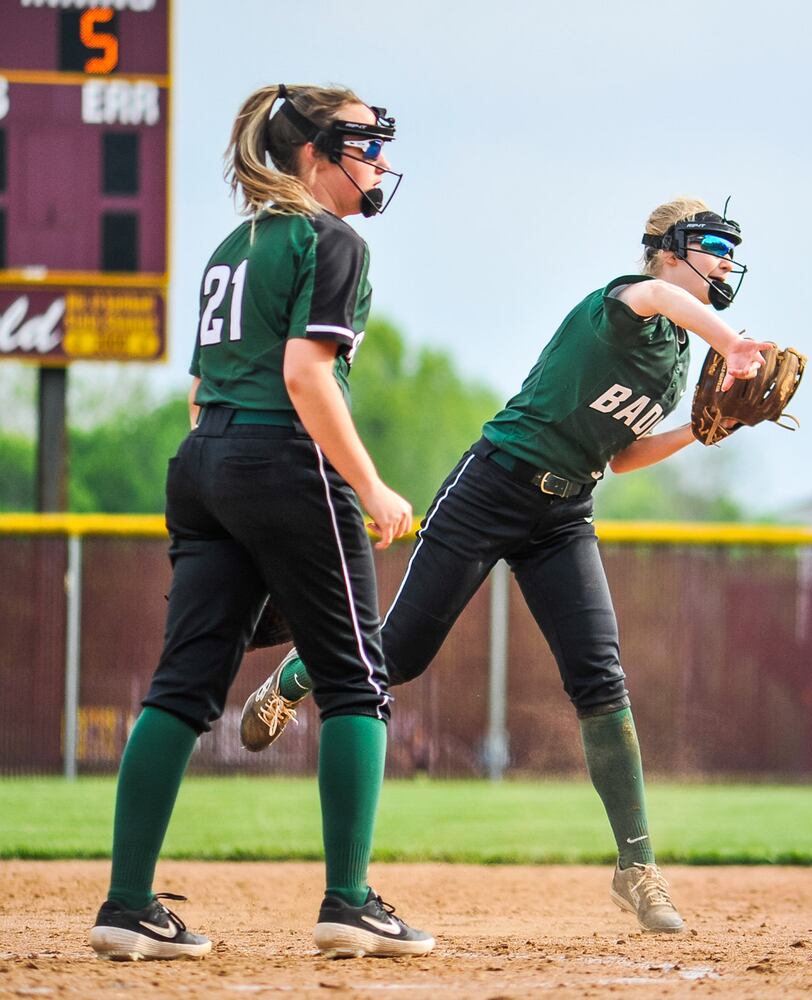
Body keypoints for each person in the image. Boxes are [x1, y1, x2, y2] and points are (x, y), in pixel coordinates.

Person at [238, 196, 775, 934]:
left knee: (599, 675)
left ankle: (636, 867)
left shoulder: (677, 358)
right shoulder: (625, 301)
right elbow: (654, 296)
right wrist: (735, 344)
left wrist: (698, 431)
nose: (724, 260)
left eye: (731, 249)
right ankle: (299, 672)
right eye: (713, 243)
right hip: (494, 483)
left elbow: (619, 457)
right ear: (668, 247)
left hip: (564, 511)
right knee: (402, 653)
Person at [87, 84, 432, 961]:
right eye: (365, 143)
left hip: (202, 464)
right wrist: (373, 486)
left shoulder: (232, 245)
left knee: (180, 688)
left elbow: (204, 388)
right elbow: (306, 377)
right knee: (356, 679)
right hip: (284, 461)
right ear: (315, 152)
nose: (381, 160)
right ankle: (349, 902)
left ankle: (128, 906)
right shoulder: (333, 239)